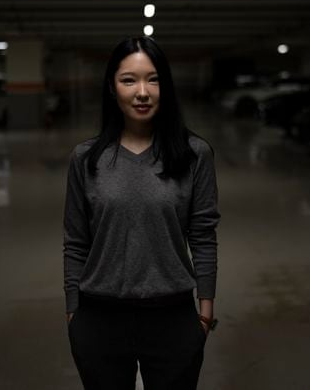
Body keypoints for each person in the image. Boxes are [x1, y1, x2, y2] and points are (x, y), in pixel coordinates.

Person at [63, 36, 220, 389]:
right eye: (129, 80)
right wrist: (73, 312)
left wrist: (205, 312)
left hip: (173, 319)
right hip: (99, 319)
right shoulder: (86, 159)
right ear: (111, 87)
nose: (143, 92)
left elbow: (203, 234)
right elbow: (75, 242)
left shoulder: (195, 155)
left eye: (153, 79)